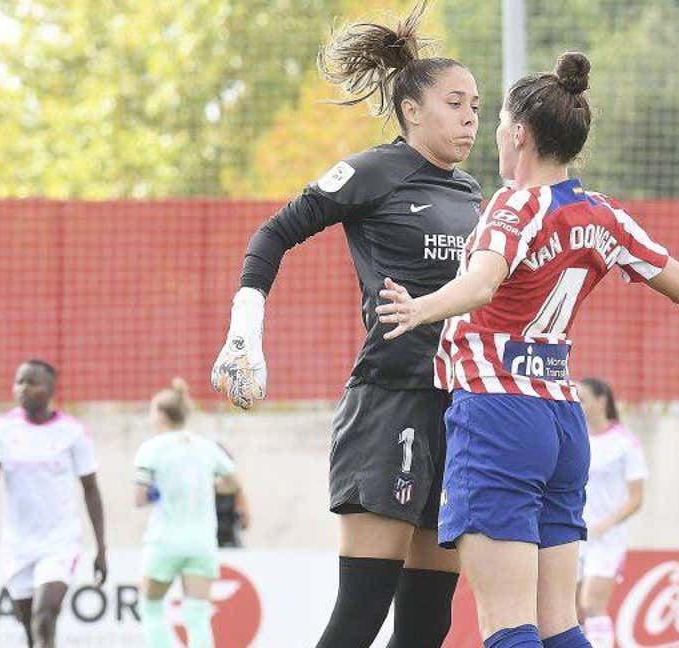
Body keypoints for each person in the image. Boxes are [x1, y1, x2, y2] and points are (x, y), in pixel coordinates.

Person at [377, 51, 679, 648]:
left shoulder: (513, 204)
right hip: (562, 424)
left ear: (520, 134)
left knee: (509, 626)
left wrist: (420, 308)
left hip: (498, 413)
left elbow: (482, 283)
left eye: (499, 121)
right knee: (561, 624)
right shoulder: (604, 215)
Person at [210, 3, 483, 646]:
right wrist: (245, 325)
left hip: (458, 405)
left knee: (428, 622)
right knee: (362, 611)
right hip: (390, 402)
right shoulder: (372, 171)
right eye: (455, 102)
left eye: (476, 103)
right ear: (412, 109)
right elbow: (273, 232)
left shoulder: (472, 192)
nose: (471, 116)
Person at [0, 359, 107, 648]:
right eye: (18, 382)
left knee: (44, 616)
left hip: (60, 540)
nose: (22, 388)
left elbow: (91, 490)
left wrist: (101, 548)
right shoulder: (1, 430)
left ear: (49, 389)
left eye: (31, 382)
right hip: (18, 542)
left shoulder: (73, 432)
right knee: (32, 632)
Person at [134, 378, 242, 648]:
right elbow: (233, 483)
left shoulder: (151, 448)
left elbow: (139, 498)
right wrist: (210, 486)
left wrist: (158, 492)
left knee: (152, 607)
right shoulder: (206, 447)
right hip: (202, 542)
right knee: (197, 616)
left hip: (165, 541)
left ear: (160, 414)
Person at [575, 378, 646, 648]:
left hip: (606, 539)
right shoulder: (576, 437)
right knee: (570, 610)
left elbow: (636, 498)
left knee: (592, 602)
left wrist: (606, 524)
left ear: (601, 400)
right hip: (575, 534)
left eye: (582, 399)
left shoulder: (624, 443)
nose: (577, 406)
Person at [214, 442, 250, 548]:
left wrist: (242, 514)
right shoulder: (201, 489)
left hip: (230, 543)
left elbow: (245, 523)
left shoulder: (235, 489)